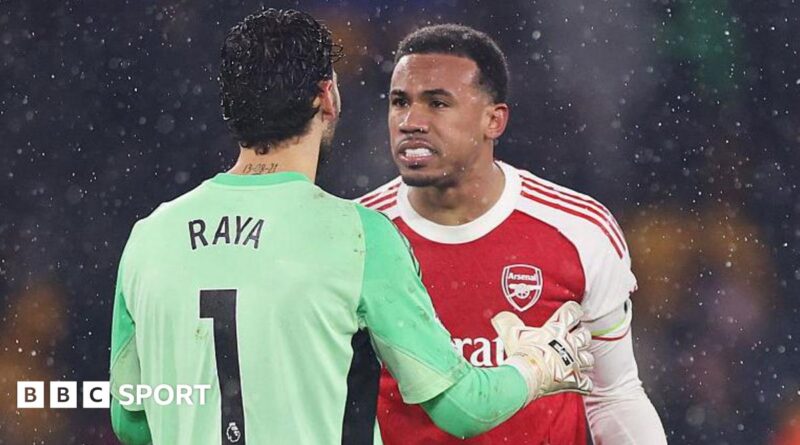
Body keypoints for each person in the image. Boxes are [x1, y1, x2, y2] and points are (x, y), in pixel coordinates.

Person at [108, 10, 594, 445]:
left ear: (230, 107)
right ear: (328, 96)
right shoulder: (358, 236)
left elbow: (130, 421)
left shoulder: (150, 237)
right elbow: (462, 407)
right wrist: (537, 366)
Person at [358, 24, 668, 444]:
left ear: (493, 120)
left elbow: (614, 395)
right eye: (400, 102)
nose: (411, 121)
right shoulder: (359, 235)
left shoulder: (579, 229)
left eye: (437, 103)